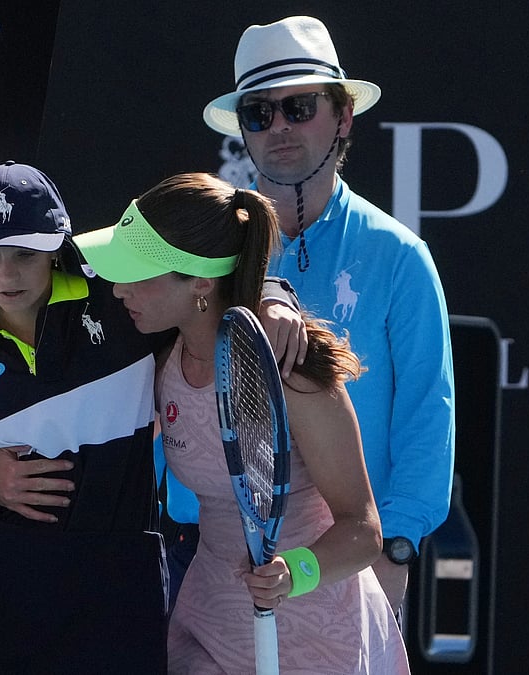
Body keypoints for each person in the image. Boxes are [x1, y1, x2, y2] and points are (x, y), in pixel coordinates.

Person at [75, 171, 409, 673]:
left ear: (200, 283)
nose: (119, 288)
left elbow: (363, 531)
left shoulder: (293, 374)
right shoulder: (156, 351)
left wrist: (292, 573)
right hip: (207, 621)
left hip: (314, 633)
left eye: (137, 271)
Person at [201, 15, 456, 612]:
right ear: (243, 128)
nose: (279, 127)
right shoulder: (206, 250)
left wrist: (393, 548)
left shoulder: (399, 257)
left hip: (349, 566)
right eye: (260, 113)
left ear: (343, 116)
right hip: (216, 560)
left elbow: (426, 417)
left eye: (300, 107)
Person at [0, 161, 171, 674]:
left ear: (58, 247)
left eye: (25, 253)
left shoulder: (124, 305)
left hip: (128, 599)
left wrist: (275, 295)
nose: (7, 274)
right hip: (17, 610)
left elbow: (210, 293)